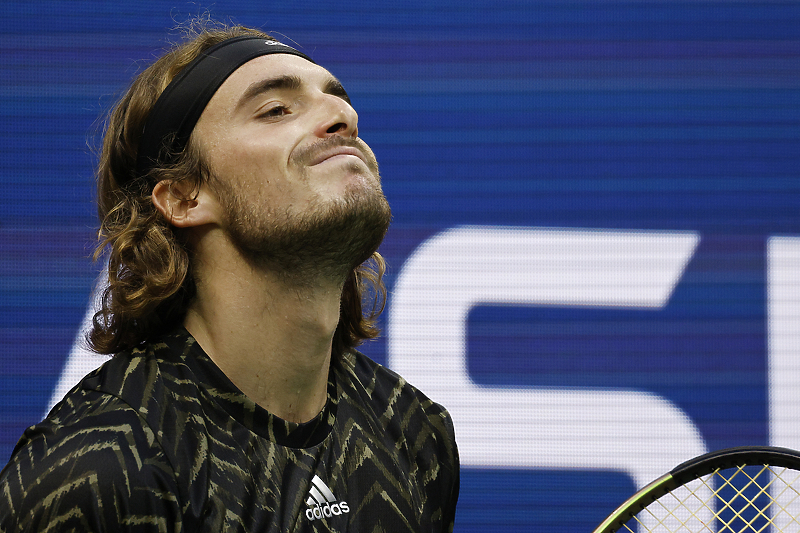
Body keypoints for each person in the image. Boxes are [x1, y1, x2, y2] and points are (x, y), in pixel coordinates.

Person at [0, 22, 459, 532]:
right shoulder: (97, 465)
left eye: (338, 101)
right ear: (183, 196)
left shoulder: (414, 432)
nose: (342, 115)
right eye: (276, 110)